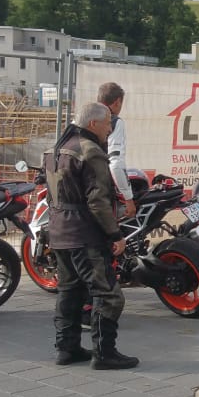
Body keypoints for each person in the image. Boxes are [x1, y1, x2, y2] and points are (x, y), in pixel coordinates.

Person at [45, 102, 138, 369]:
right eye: (108, 123)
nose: (109, 129)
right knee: (108, 294)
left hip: (59, 231)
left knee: (69, 291)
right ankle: (104, 353)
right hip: (84, 234)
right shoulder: (90, 151)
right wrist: (115, 234)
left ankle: (67, 348)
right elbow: (98, 201)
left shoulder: (56, 148)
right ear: (93, 123)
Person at [98, 82, 136, 220]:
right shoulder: (114, 122)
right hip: (99, 191)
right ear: (117, 102)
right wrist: (128, 198)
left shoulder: (81, 118)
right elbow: (115, 163)